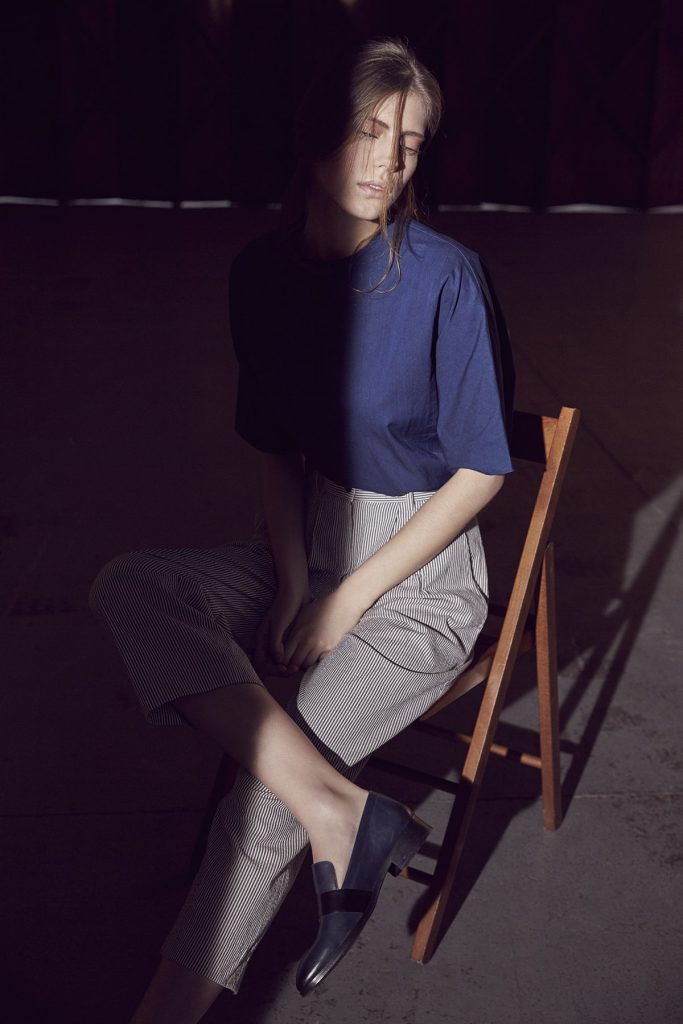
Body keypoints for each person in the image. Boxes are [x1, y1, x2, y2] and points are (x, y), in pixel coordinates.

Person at [89, 36, 514, 1024]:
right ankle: (339, 807)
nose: (387, 160)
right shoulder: (261, 274)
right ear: (316, 134)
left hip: (416, 577)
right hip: (306, 541)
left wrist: (345, 599)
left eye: (409, 142)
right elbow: (277, 452)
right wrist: (291, 583)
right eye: (368, 130)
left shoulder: (446, 277)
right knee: (133, 585)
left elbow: (483, 470)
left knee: (258, 807)